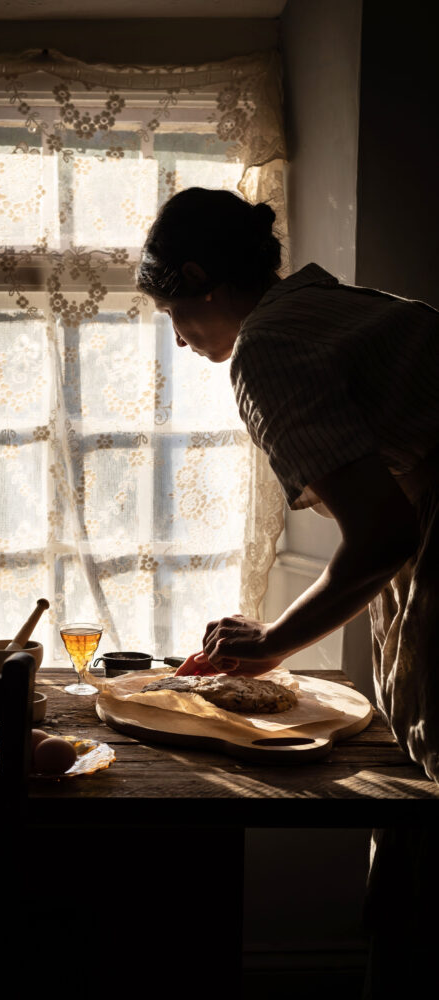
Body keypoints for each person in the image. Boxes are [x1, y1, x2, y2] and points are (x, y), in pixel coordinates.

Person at [137, 187, 439, 997]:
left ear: (201, 279)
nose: (181, 337)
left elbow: (380, 536)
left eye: (175, 313)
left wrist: (271, 643)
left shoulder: (267, 347)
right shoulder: (333, 305)